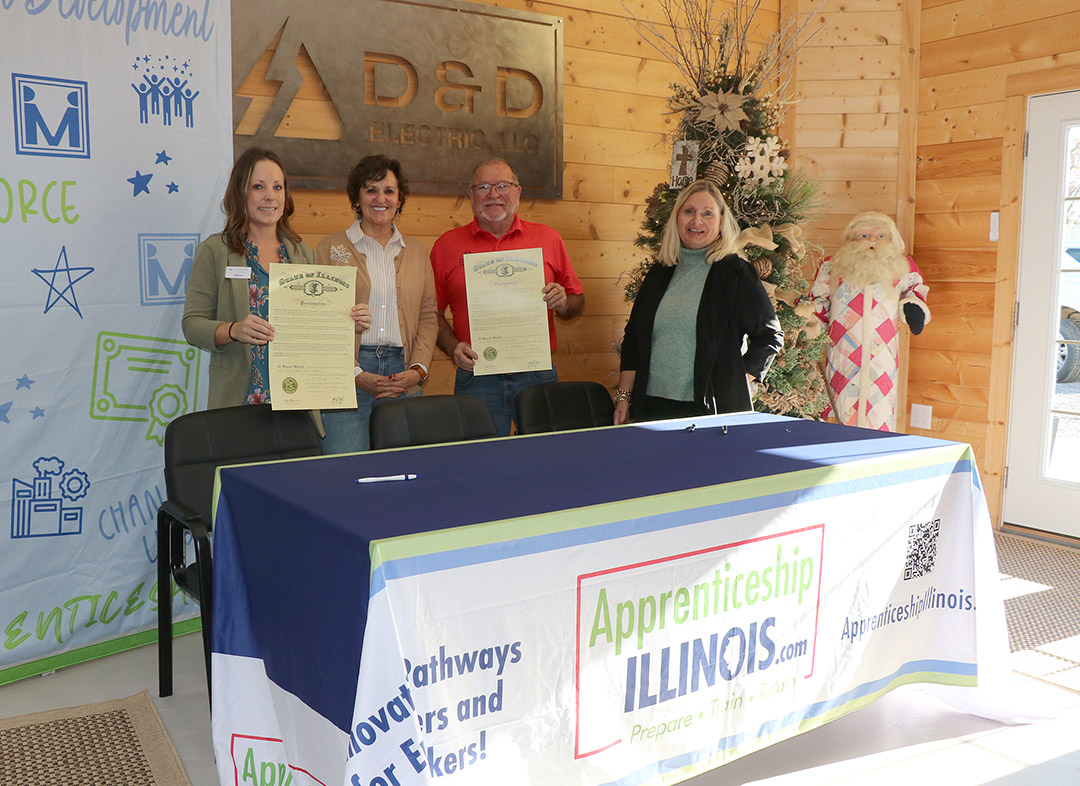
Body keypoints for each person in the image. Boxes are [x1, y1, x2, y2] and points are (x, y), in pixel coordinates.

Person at [182, 148, 367, 418]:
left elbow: (314, 328)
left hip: (297, 403)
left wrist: (348, 321)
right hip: (239, 403)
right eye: (258, 186)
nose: (270, 196)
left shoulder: (303, 254)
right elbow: (192, 325)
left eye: (277, 187)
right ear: (240, 194)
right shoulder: (215, 252)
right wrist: (233, 330)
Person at [430, 158, 585, 435]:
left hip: (537, 373)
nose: (493, 194)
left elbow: (577, 301)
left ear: (518, 191)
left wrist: (564, 302)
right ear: (470, 194)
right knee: (481, 462)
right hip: (476, 375)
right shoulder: (446, 246)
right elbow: (433, 314)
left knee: (543, 457)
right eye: (483, 187)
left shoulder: (548, 238)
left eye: (503, 185)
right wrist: (453, 347)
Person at [614, 179, 783, 424]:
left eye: (707, 213)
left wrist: (734, 381)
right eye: (689, 211)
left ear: (721, 222)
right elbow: (633, 339)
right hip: (649, 408)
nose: (697, 221)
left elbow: (769, 337)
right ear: (677, 218)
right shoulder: (660, 271)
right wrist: (623, 397)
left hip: (707, 412)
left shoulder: (735, 272)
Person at [315, 154, 438, 452]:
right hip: (347, 374)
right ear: (356, 197)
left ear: (399, 199)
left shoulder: (418, 252)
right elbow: (318, 321)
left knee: (402, 470)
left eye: (389, 191)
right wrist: (354, 373)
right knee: (345, 469)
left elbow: (428, 315)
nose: (380, 198)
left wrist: (419, 369)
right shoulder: (329, 249)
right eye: (371, 189)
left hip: (403, 371)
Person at [811, 211, 930, 431]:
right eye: (864, 235)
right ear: (851, 237)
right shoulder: (831, 266)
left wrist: (914, 308)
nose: (872, 240)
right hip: (841, 353)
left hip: (882, 357)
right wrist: (809, 325)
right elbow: (819, 302)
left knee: (879, 411)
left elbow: (915, 289)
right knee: (839, 407)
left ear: (891, 238)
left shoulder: (902, 267)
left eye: (880, 236)